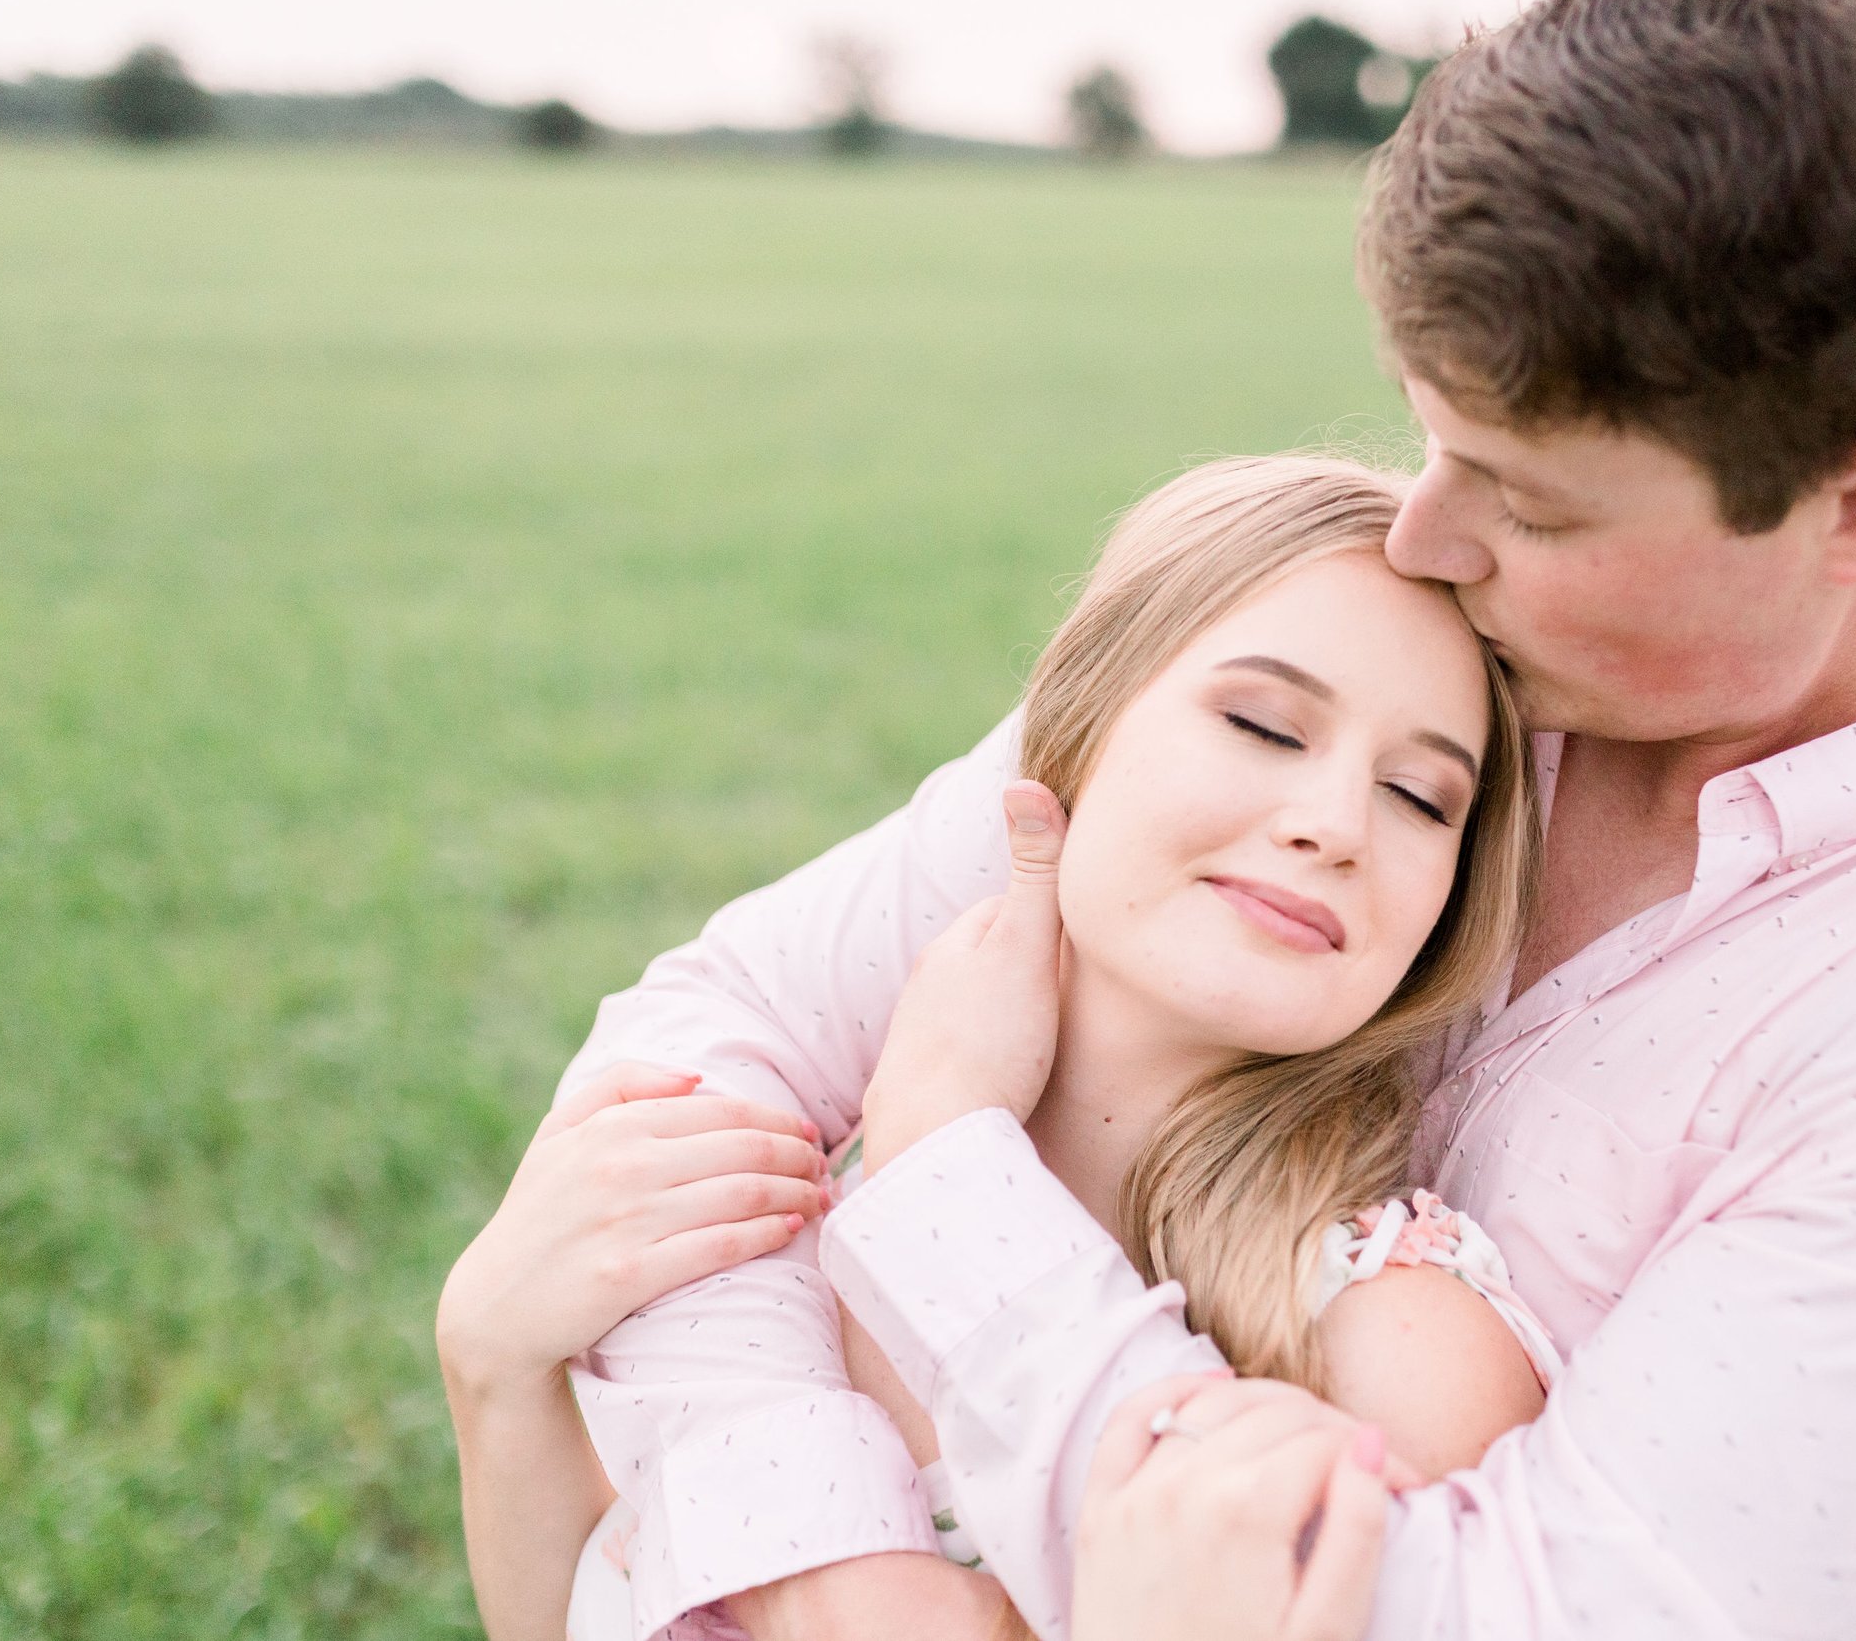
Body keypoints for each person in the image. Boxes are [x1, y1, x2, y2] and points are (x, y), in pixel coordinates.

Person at [545, 0, 1856, 1638]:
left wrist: (939, 1183)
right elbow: (703, 1056)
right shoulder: (1348, 660)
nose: (1422, 537)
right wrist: (846, 1566)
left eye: (1530, 503)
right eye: (1436, 443)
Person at [438, 456, 1556, 1639]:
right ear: (1067, 738)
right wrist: (493, 1376)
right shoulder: (785, 1214)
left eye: (1421, 796)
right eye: (1262, 723)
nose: (1332, 824)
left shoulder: (1392, 1342)